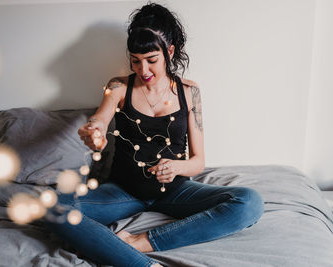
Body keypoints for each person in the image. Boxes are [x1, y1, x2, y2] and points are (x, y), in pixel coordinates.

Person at [45, 3, 264, 267]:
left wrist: (177, 167)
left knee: (250, 202)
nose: (143, 70)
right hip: (123, 192)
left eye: (151, 60)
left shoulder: (189, 92)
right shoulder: (118, 87)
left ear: (169, 52)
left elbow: (199, 162)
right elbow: (100, 119)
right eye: (135, 61)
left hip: (175, 191)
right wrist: (94, 130)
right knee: (50, 207)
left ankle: (140, 242)